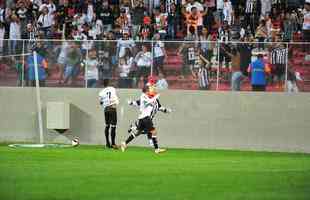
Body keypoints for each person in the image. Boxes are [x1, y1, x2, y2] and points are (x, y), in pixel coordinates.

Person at [121, 84, 168, 154]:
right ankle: (157, 149)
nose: (150, 90)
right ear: (146, 90)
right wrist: (156, 97)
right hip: (145, 117)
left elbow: (149, 101)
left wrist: (154, 95)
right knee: (153, 131)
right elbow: (149, 101)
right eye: (149, 89)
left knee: (138, 132)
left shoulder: (145, 96)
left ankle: (124, 143)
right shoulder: (143, 96)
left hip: (142, 118)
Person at [99, 79, 119, 149]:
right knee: (113, 126)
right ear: (109, 83)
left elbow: (101, 102)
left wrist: (104, 101)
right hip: (112, 108)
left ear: (103, 84)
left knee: (107, 126)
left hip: (106, 109)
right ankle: (113, 144)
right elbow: (113, 96)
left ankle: (107, 143)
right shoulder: (112, 89)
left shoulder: (101, 92)